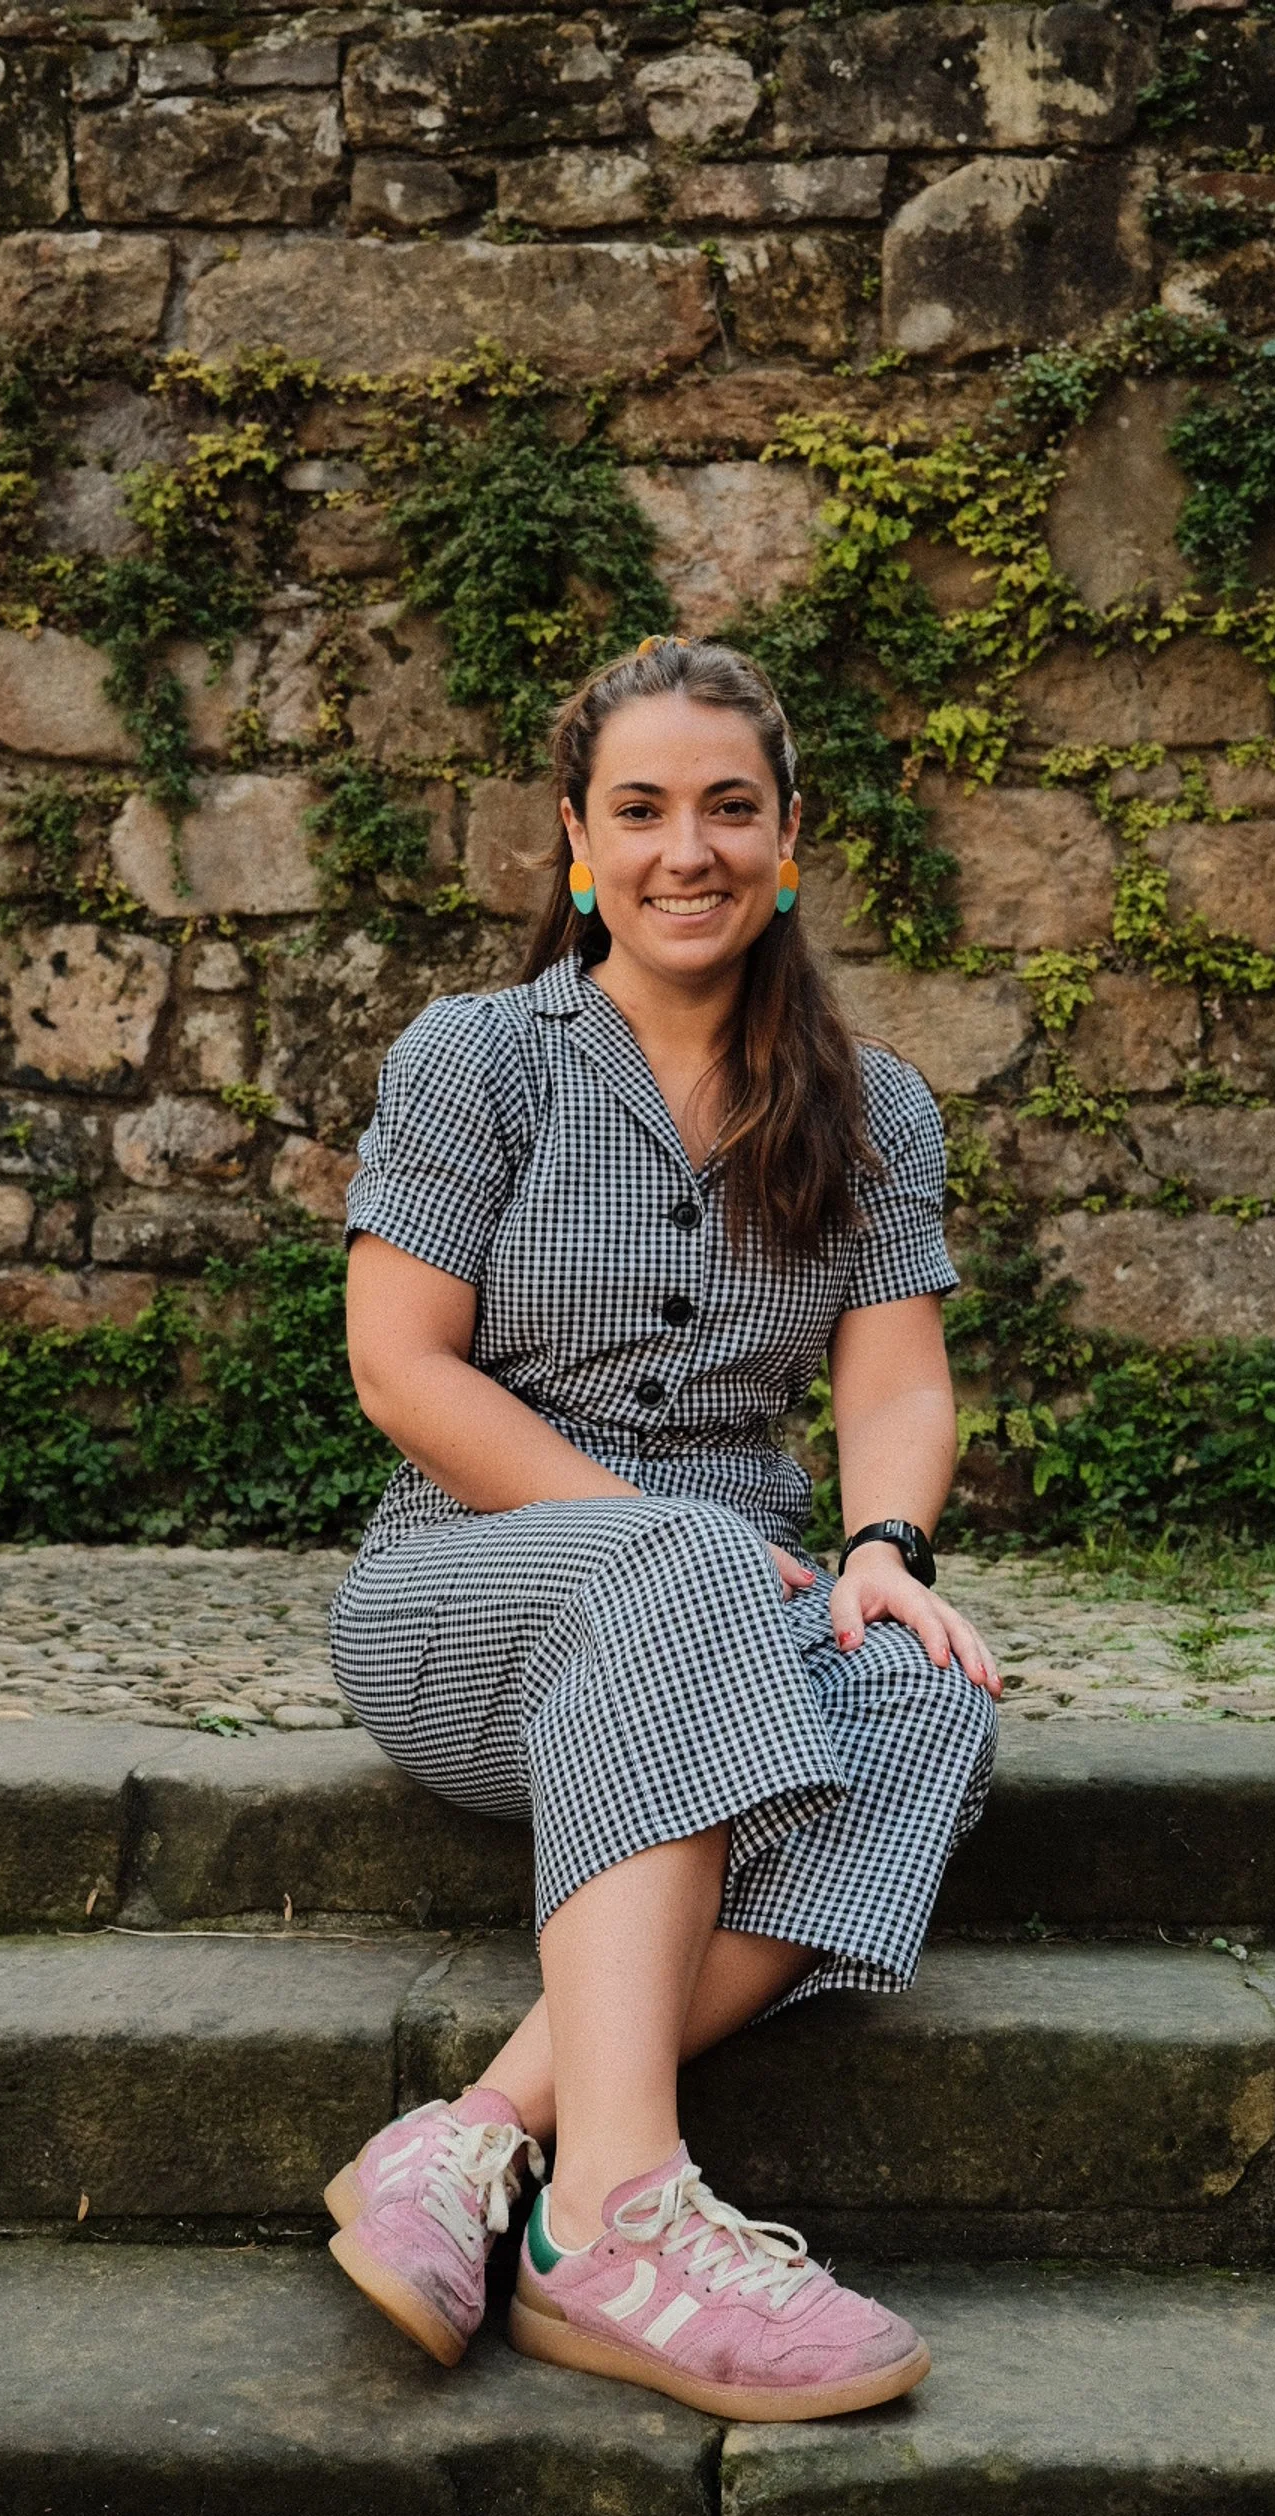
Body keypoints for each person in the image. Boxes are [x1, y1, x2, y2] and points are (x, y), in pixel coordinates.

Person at [323, 635, 1000, 2423]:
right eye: (639, 810)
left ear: (788, 836)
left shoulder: (876, 1106)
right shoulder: (478, 1060)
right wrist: (659, 1540)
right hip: (471, 1590)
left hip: (746, 1596)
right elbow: (401, 1369)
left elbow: (897, 1384)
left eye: (727, 808)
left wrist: (883, 1552)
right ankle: (619, 2218)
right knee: (684, 1555)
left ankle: (476, 2141)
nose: (685, 850)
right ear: (576, 838)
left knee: (926, 1690)